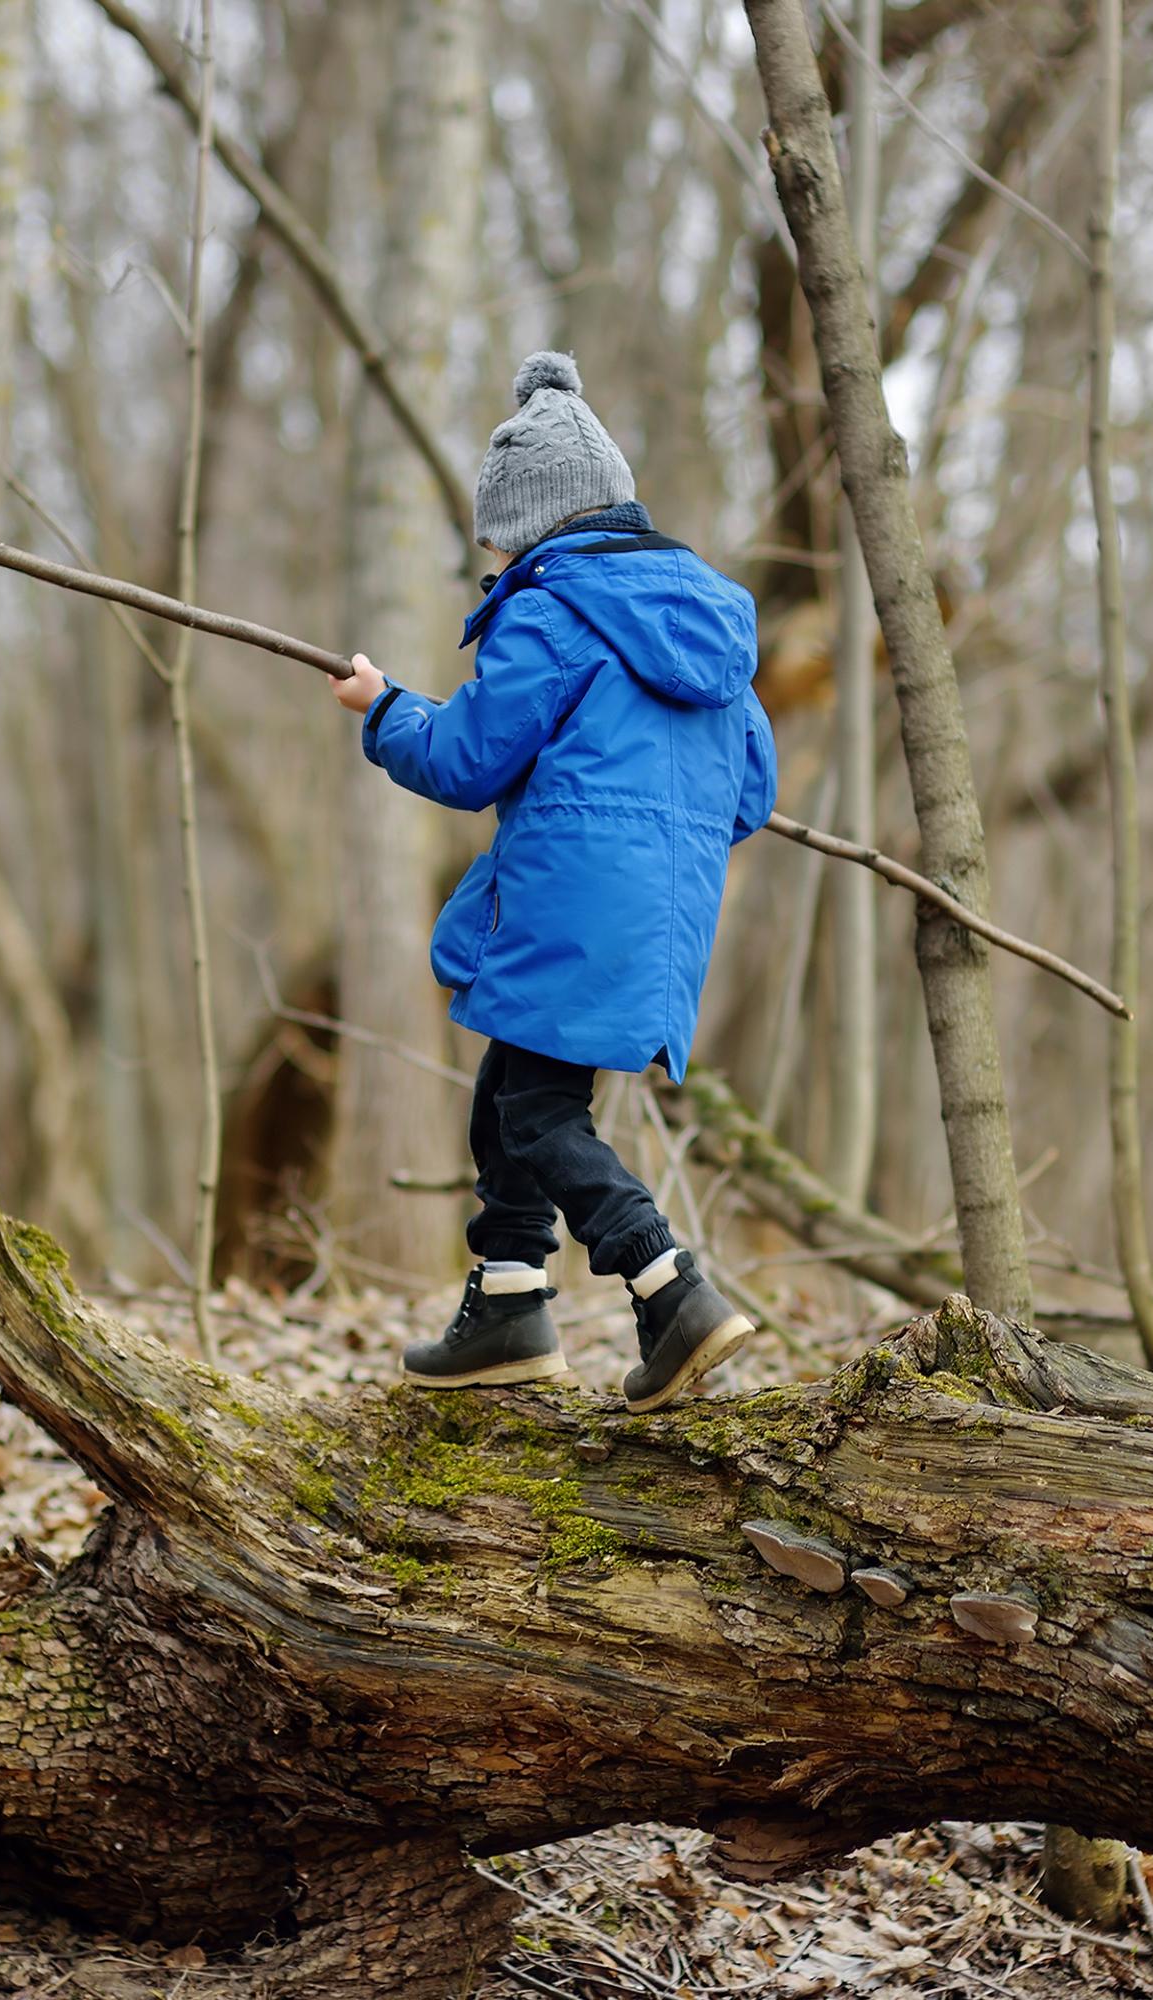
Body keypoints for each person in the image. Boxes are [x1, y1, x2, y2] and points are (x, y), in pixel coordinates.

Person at [331, 351, 778, 1413]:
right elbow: (749, 793)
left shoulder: (550, 609)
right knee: (512, 1099)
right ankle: (510, 1303)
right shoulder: (710, 629)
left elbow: (466, 758)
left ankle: (671, 1288)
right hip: (666, 913)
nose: (494, 559)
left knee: (534, 1116)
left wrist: (386, 705)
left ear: (534, 523)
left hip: (570, 898)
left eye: (498, 540)